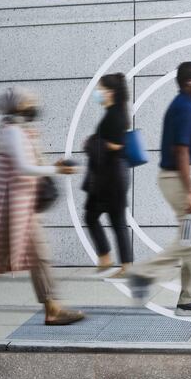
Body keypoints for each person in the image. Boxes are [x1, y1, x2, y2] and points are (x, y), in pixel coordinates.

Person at [0, 87, 84, 326]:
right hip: (10, 209)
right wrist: (56, 170)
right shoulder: (12, 132)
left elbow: (29, 164)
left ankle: (52, 309)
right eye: (29, 102)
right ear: (17, 106)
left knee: (39, 256)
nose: (34, 106)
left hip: (23, 206)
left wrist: (52, 165)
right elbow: (23, 168)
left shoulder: (21, 130)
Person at [128, 62, 191, 316]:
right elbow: (181, 151)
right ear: (189, 81)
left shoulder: (184, 106)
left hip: (183, 177)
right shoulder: (185, 109)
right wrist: (190, 191)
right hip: (183, 179)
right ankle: (145, 273)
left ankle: (187, 300)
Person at [83, 73, 133, 278]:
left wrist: (95, 142)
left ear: (110, 92)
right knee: (111, 219)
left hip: (109, 177)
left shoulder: (115, 114)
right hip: (110, 176)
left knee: (98, 216)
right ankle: (115, 261)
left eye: (101, 89)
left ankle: (109, 259)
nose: (98, 92)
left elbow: (119, 144)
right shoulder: (115, 111)